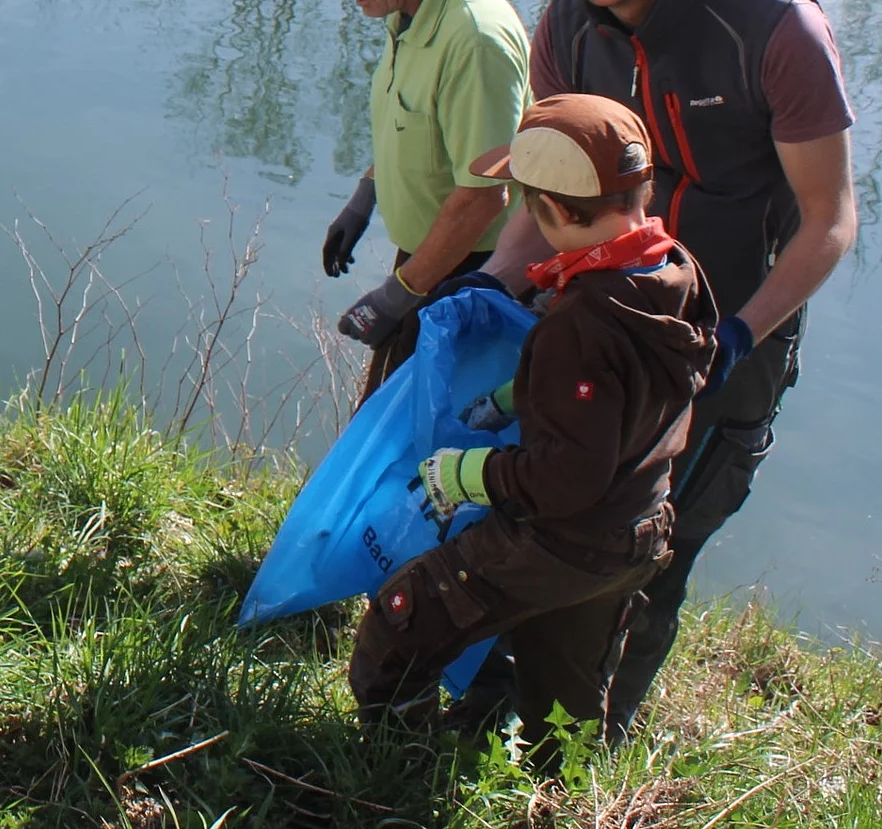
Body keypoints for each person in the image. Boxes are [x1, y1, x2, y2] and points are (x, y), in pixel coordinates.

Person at [472, 0, 858, 743]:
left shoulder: (777, 30)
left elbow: (830, 218)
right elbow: (546, 183)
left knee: (653, 552)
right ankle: (485, 717)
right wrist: (494, 281)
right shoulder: (566, 25)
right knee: (538, 512)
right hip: (596, 323)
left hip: (739, 327)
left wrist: (740, 336)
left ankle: (589, 753)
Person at [347, 93, 718, 756]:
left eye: (525, 199)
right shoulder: (673, 272)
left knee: (404, 622)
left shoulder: (581, 321)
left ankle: (399, 768)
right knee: (566, 697)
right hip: (636, 529)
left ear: (549, 210)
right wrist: (523, 393)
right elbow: (623, 387)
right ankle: (567, 791)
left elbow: (566, 477)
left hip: (565, 536)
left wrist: (465, 472)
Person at [322, 0, 530, 398]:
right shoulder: (405, 16)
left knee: (403, 429)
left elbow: (484, 197)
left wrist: (396, 296)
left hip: (468, 272)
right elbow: (417, 126)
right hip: (425, 259)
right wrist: (365, 195)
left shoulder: (475, 41)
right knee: (380, 415)